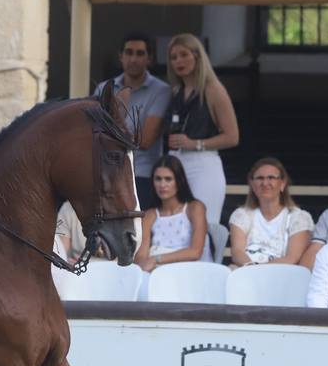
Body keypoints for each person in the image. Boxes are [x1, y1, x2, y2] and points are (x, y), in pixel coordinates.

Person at [160, 34, 239, 220]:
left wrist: (195, 143)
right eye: (173, 57)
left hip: (203, 163)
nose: (179, 61)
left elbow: (232, 136)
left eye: (184, 55)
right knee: (173, 222)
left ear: (197, 56)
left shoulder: (213, 90)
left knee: (202, 222)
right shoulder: (175, 91)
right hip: (175, 162)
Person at [94, 32, 169, 210]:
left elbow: (145, 141)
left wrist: (110, 129)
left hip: (142, 174)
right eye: (129, 52)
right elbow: (94, 134)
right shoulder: (104, 88)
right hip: (107, 171)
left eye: (140, 53)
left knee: (138, 231)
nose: (133, 59)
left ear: (149, 59)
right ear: (121, 56)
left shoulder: (161, 90)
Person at [228, 157, 312, 268]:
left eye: (271, 178)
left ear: (282, 183)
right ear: (252, 184)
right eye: (259, 178)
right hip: (246, 272)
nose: (265, 183)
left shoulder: (299, 218)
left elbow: (293, 258)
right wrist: (251, 269)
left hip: (282, 275)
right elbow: (237, 252)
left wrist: (261, 271)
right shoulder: (241, 215)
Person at [136, 156, 210, 271]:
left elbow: (195, 252)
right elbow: (140, 257)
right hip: (157, 273)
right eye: (158, 179)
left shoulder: (195, 208)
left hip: (191, 272)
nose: (162, 184)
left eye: (168, 179)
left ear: (179, 181)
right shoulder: (150, 215)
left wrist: (156, 259)